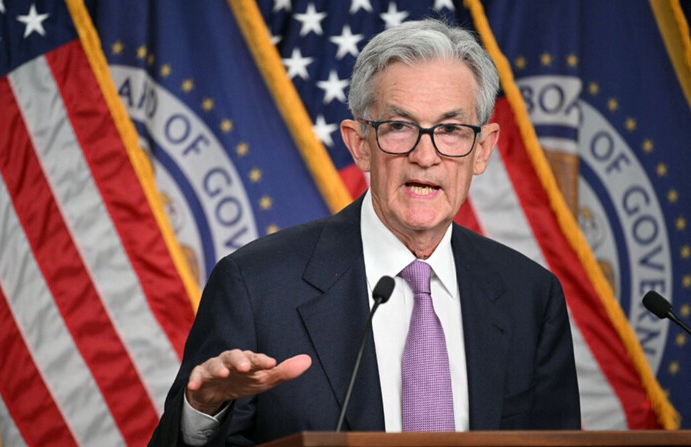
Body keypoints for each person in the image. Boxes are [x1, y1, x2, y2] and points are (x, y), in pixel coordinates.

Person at [149, 19, 580, 447]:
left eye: (450, 130)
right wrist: (202, 414)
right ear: (359, 145)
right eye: (399, 127)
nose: (425, 156)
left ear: (482, 149)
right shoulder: (255, 287)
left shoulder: (530, 297)